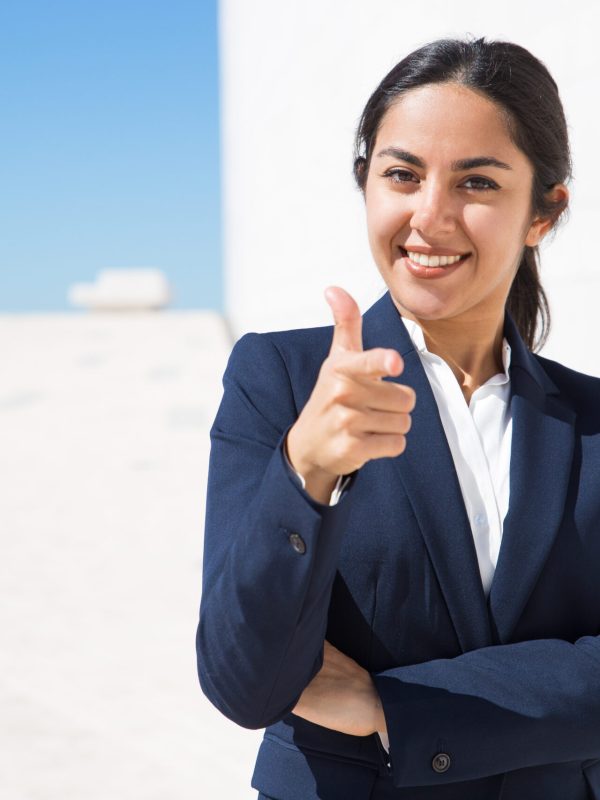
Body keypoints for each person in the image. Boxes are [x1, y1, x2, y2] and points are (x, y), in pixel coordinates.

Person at [196, 36, 600, 800]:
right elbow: (243, 682)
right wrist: (306, 473)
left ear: (544, 212)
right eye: (402, 175)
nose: (430, 216)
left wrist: (393, 705)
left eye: (477, 182)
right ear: (366, 183)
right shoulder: (281, 381)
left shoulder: (594, 422)